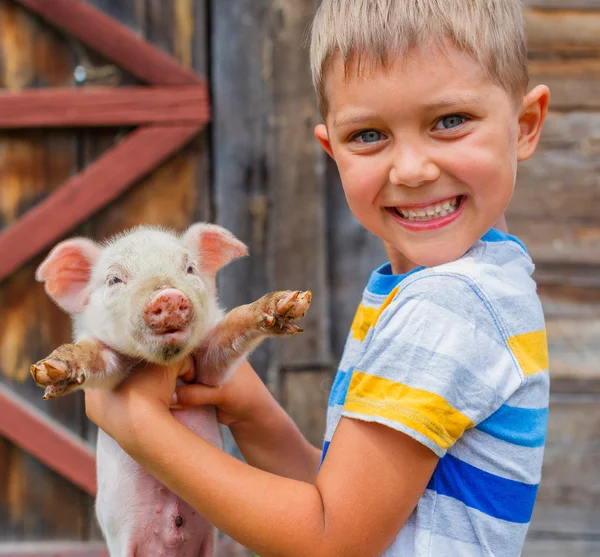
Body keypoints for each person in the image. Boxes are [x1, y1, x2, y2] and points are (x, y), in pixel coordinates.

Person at [84, 1, 551, 555]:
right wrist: (253, 414)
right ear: (333, 150)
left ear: (524, 126)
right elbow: (346, 505)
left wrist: (139, 427)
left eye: (449, 122)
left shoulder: (448, 304)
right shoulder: (483, 279)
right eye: (369, 135)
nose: (412, 169)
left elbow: (331, 541)